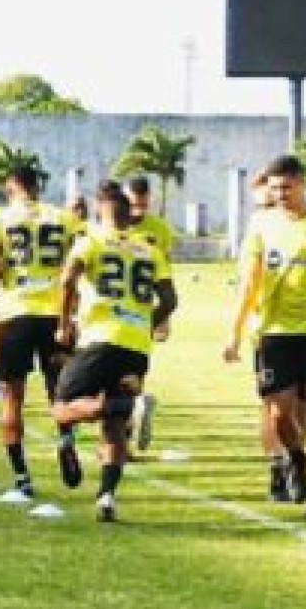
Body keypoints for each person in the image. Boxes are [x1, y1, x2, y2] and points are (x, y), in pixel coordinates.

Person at [54, 181, 177, 522]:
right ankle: (106, 496)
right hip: (136, 345)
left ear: (99, 209)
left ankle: (128, 405)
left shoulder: (90, 241)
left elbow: (67, 280)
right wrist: (146, 322)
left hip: (100, 339)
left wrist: (65, 323)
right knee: (114, 428)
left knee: (61, 409)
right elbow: (170, 300)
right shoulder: (148, 248)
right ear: (129, 214)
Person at [224, 156, 306, 514]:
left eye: (286, 187)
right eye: (274, 188)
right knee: (278, 415)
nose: (279, 194)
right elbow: (248, 282)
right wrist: (233, 334)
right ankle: (294, 457)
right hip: (273, 332)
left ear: (302, 184)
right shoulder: (261, 224)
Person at [0, 164, 80, 498]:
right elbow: (76, 266)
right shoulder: (62, 218)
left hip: (16, 313)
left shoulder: (0, 220)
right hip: (54, 314)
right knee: (61, 391)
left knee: (12, 397)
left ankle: (22, 475)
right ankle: (66, 438)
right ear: (38, 185)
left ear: (12, 186)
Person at [122, 175, 177, 451]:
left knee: (127, 376)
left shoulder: (160, 230)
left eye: (143, 206)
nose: (138, 212)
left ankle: (122, 438)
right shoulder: (107, 226)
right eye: (133, 205)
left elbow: (165, 276)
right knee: (123, 378)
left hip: (139, 314)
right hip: (111, 314)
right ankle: (131, 418)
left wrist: (164, 318)